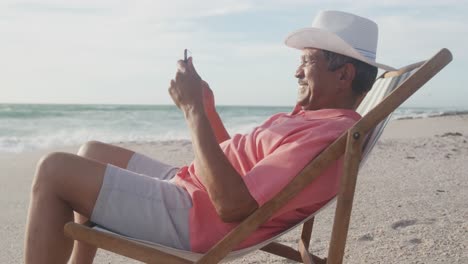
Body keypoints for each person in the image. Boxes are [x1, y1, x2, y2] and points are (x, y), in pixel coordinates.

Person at [24, 10, 393, 263]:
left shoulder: (327, 133)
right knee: (91, 151)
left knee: (54, 170)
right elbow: (237, 169)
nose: (297, 71)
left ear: (344, 75)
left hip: (196, 219)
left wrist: (192, 112)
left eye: (308, 61)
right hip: (193, 192)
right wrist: (209, 109)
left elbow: (234, 206)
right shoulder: (314, 119)